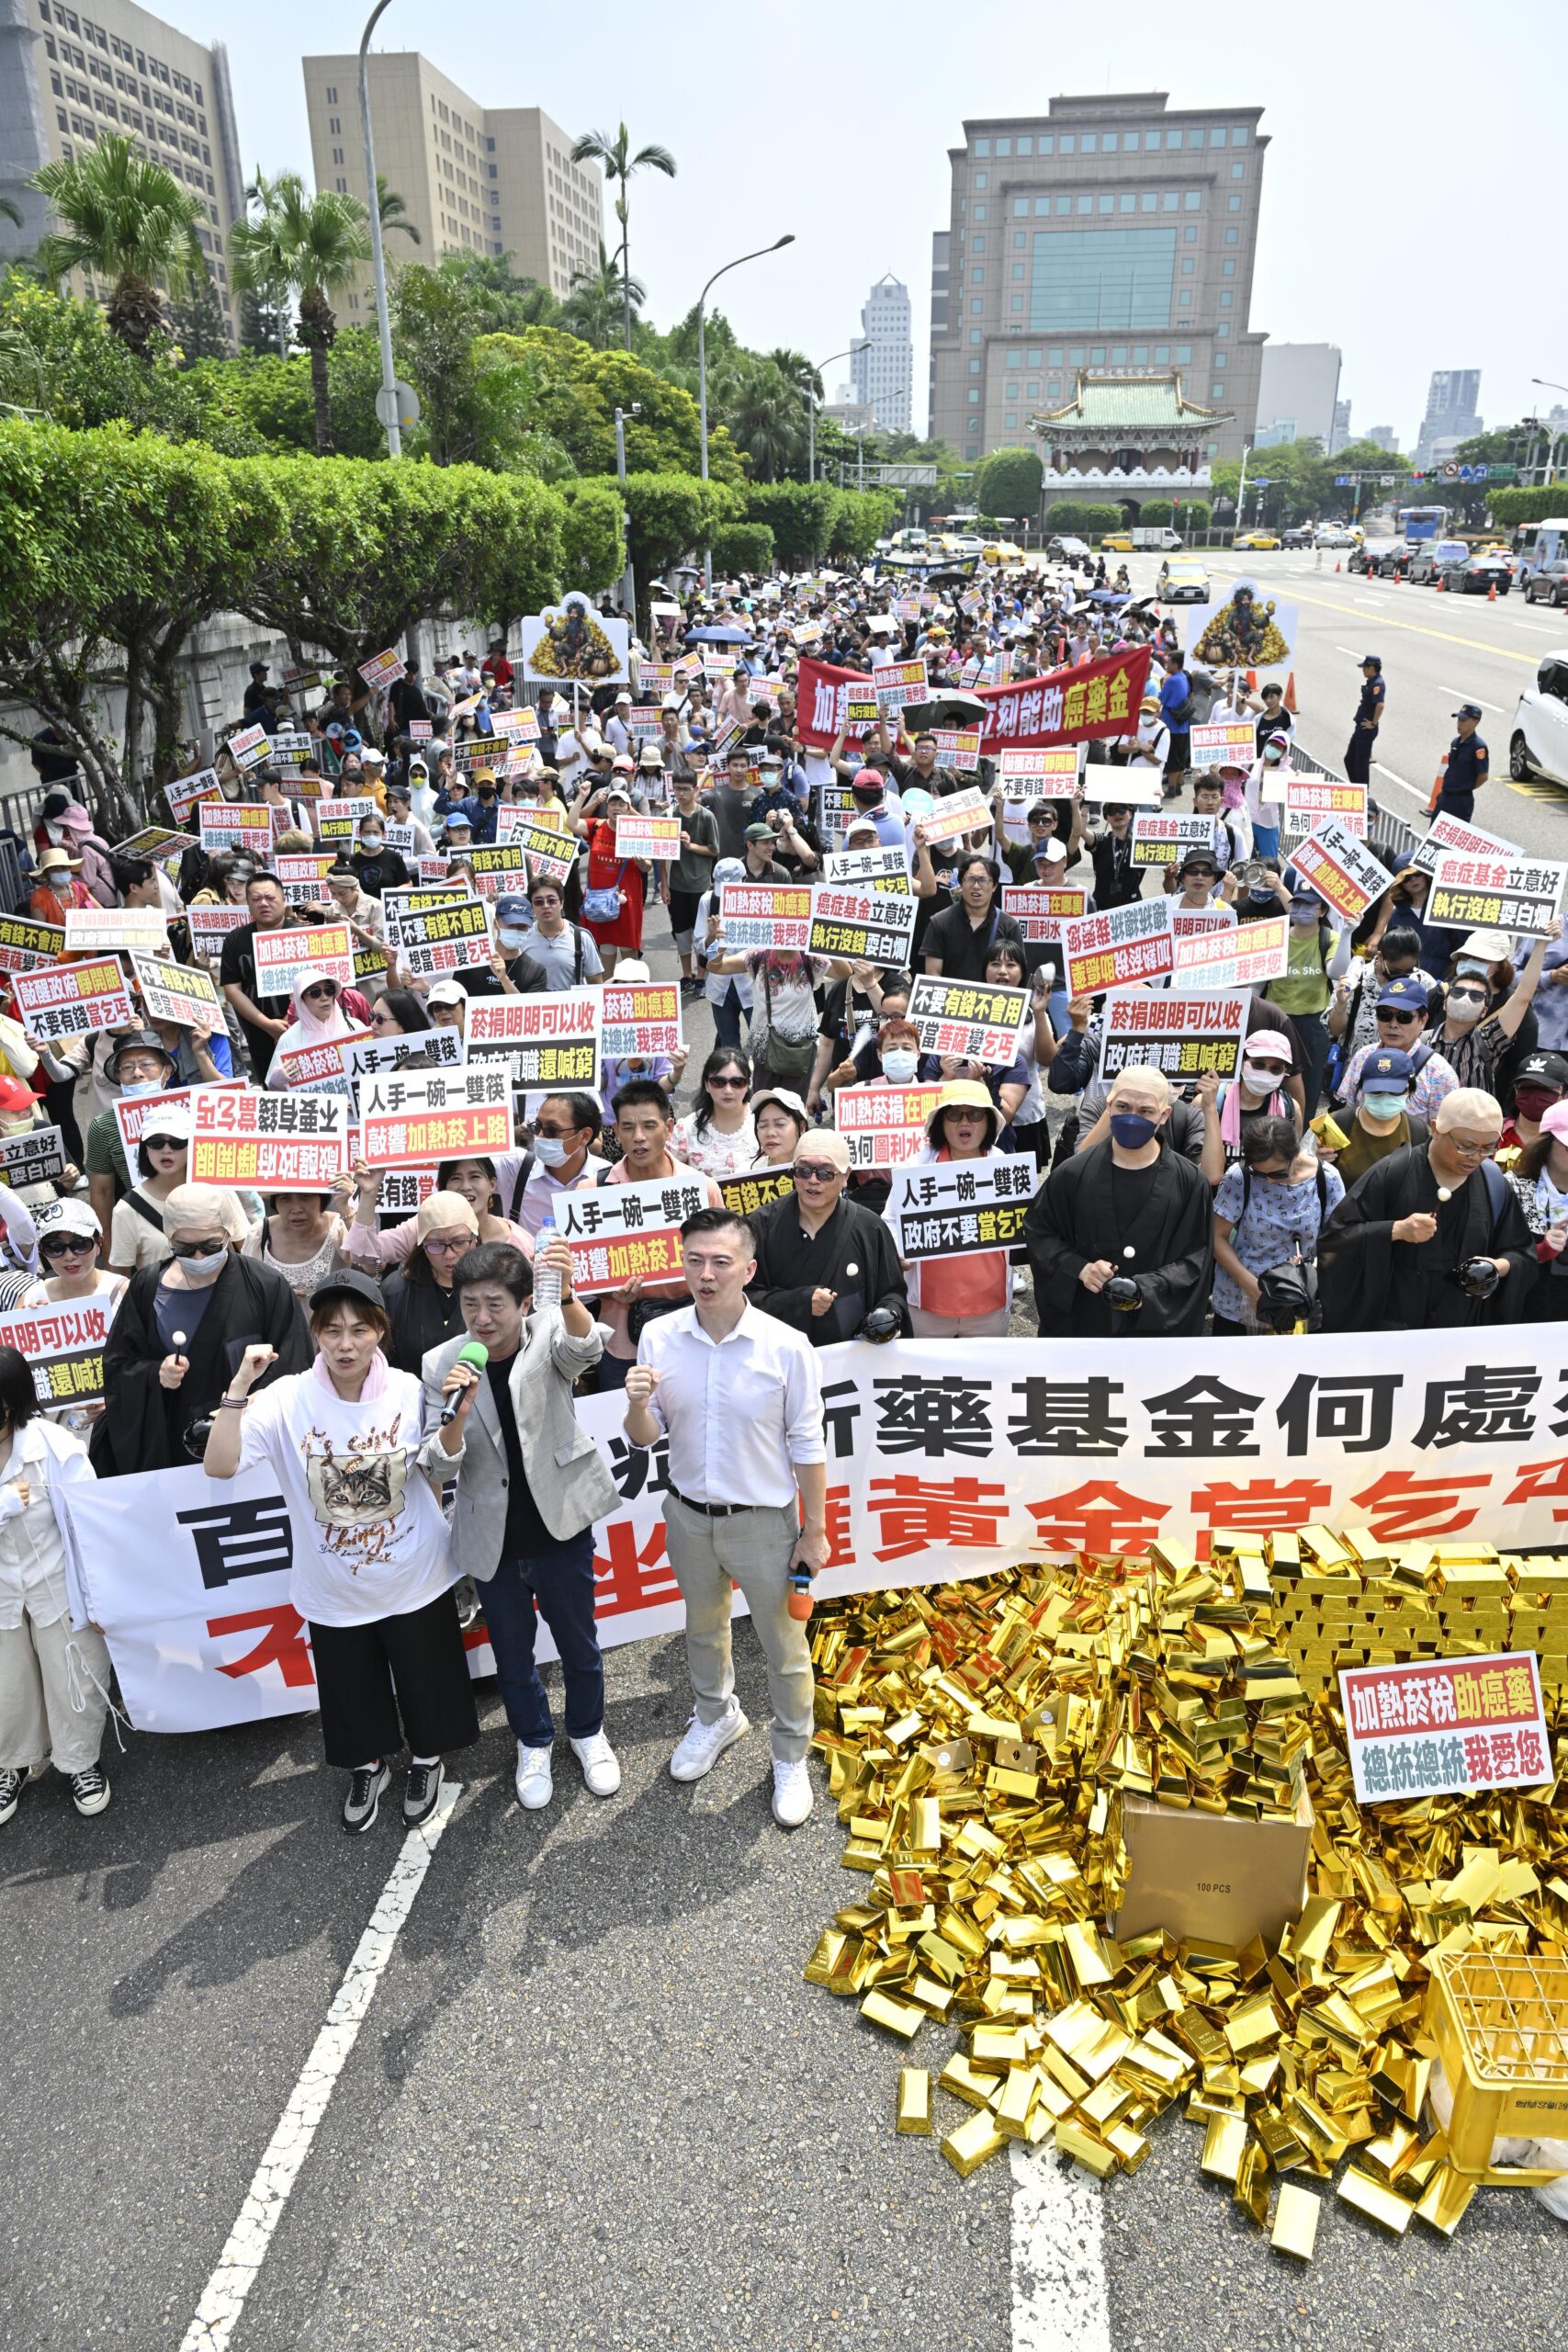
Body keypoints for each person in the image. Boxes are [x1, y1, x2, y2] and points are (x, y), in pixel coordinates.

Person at [204, 1271, 477, 1835]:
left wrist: (459, 1420)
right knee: (350, 1691)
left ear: (381, 1330)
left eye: (359, 1329)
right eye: (331, 1332)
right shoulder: (284, 1399)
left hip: (415, 1571)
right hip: (332, 1583)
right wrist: (238, 1387)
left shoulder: (409, 1388)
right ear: (315, 1335)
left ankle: (426, 1758)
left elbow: (441, 1461)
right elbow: (220, 1464)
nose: (345, 1345)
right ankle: (367, 1765)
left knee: (429, 1681)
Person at [623, 1208, 828, 1829]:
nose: (705, 1274)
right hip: (687, 1514)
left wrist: (813, 1530)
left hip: (764, 1522)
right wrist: (635, 1405)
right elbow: (643, 1437)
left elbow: (808, 1445)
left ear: (748, 1269)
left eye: (720, 1262)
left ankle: (790, 1753)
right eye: (693, 1260)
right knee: (702, 1628)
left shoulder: (785, 1346)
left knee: (783, 1648)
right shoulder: (658, 1336)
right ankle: (715, 1716)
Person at [423, 1239, 619, 1810]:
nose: (481, 1319)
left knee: (579, 1645)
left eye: (495, 1305)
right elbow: (434, 1462)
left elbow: (585, 1352)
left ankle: (587, 1732)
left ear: (525, 1302)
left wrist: (573, 1294)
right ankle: (532, 1741)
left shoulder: (547, 1335)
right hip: (492, 1535)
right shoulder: (443, 1364)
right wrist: (456, 1417)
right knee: (513, 1655)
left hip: (559, 1524)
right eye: (470, 1305)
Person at [92, 1182, 310, 1476]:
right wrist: (156, 1372)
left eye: (210, 1246)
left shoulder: (264, 1285)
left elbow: (293, 1365)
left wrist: (242, 1406)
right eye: (184, 1247)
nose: (198, 1257)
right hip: (169, 1444)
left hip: (247, 1444)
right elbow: (118, 1365)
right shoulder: (147, 1287)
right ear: (169, 1237)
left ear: (228, 1232)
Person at [0, 1347, 111, 1826]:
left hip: (55, 1583)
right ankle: (12, 1762)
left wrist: (99, 1597)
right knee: (8, 1684)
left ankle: (80, 1761)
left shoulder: (53, 1445)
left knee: (73, 1673)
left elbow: (88, 1527)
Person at [1319, 1088, 1534, 1331]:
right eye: (1466, 1146)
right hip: (1392, 1327)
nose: (1476, 1157)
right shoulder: (1395, 1172)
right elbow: (1335, 1239)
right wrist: (1395, 1230)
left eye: (1488, 1148)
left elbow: (1522, 1254)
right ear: (1435, 1129)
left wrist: (1497, 1267)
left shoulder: (1493, 1182)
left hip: (1461, 1327)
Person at [1025, 1065, 1213, 1338]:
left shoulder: (1190, 1182)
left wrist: (1147, 1289)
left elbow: (1197, 1258)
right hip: (1086, 1322)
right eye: (1123, 1107)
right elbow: (1040, 1233)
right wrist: (1080, 1268)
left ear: (1164, 1114)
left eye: (1146, 1111)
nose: (1132, 1117)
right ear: (1109, 1106)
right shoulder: (1073, 1172)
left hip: (1152, 1330)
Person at [588, 1080, 723, 1390]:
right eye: (627, 1127)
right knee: (627, 1431)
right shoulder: (592, 1194)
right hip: (622, 1344)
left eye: (649, 1125)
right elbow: (581, 1284)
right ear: (615, 1131)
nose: (639, 1138)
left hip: (695, 1335)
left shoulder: (702, 1189)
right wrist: (608, 1291)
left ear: (670, 1127)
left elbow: (725, 1263)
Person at [748, 1127, 907, 1344]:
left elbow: (892, 1292)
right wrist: (800, 1302)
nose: (813, 1180)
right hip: (779, 1359)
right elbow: (743, 1297)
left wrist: (888, 1317)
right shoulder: (762, 1225)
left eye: (825, 1172)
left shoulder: (870, 1228)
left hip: (851, 1363)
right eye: (803, 1170)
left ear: (846, 1176)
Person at [897, 1080, 1019, 1339]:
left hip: (989, 1307)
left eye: (975, 1114)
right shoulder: (917, 1166)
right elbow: (891, 1219)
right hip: (928, 1309)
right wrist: (899, 1250)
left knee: (985, 1377)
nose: (965, 1122)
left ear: (988, 1122)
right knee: (927, 1377)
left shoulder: (1006, 1168)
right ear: (941, 1121)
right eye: (954, 1114)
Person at [1211, 1117, 1345, 1334]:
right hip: (1241, 1301)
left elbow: (1338, 1239)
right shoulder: (1239, 1177)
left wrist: (1308, 1276)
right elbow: (1217, 1237)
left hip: (1301, 1302)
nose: (1270, 1181)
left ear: (1295, 1154)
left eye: (1278, 1173)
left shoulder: (1326, 1177)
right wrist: (1254, 1289)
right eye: (1260, 1173)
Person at [220, 872, 322, 1080]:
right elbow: (232, 990)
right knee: (270, 1085)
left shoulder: (302, 935)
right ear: (248, 904)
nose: (263, 904)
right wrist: (267, 1024)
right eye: (256, 899)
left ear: (284, 900)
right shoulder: (235, 939)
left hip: (304, 1026)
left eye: (270, 898)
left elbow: (318, 983)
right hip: (258, 1030)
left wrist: (290, 1019)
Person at [377, 1191, 481, 1374]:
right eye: (436, 1244)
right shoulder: (396, 1291)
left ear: (475, 1239)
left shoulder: (495, 1283)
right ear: (421, 1244)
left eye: (459, 1242)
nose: (449, 1254)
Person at [1432, 934, 1547, 1094]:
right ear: (1445, 1002)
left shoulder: (1488, 1041)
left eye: (1476, 996)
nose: (1465, 999)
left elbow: (1522, 997)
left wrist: (1541, 945)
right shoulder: (1422, 1040)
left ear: (1484, 1010)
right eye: (1458, 992)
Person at [1336, 978, 1458, 1126]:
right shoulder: (1363, 1056)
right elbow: (1347, 1111)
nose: (1393, 1024)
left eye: (1404, 1017)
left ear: (1423, 1020)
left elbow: (1441, 1134)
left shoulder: (1439, 1074)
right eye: (1385, 1015)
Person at [1326, 1047, 1431, 1189]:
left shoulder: (1420, 1133)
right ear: (1362, 1091)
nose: (1385, 1097)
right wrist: (1315, 1161)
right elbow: (1297, 1170)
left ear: (1410, 1091)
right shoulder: (1332, 1124)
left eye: (1395, 1091)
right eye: (1376, 1091)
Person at [107, 1103, 192, 1273]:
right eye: (156, 1142)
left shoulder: (215, 1192)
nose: (166, 1149)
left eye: (177, 1142)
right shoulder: (126, 1210)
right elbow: (120, 1278)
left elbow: (245, 1249)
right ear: (145, 1148)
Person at [1503, 1102, 1568, 1319]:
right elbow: (1498, 1254)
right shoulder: (1513, 1187)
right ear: (1546, 1143)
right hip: (1528, 1311)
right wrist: (1541, 1250)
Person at [921, 854, 1025, 982]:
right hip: (952, 1000)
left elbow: (1018, 974)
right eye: (970, 879)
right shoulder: (939, 923)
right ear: (961, 883)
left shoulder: (1009, 926)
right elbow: (932, 976)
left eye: (983, 880)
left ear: (994, 886)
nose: (976, 886)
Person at [661, 771, 719, 992]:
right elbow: (661, 854)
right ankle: (687, 974)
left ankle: (702, 975)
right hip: (676, 885)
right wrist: (664, 885)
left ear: (695, 789)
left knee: (700, 932)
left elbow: (714, 850)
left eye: (686, 789)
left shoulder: (706, 817)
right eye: (677, 789)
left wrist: (691, 846)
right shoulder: (669, 816)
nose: (682, 793)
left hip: (700, 885)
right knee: (681, 932)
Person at [243, 1188, 353, 1302]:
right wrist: (275, 1294)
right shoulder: (259, 1234)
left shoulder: (340, 1228)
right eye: (285, 1198)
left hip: (328, 1318)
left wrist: (348, 1211)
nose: (296, 1209)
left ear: (322, 1197)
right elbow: (247, 1287)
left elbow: (368, 1262)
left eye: (306, 1196)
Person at [265, 967, 361, 1089]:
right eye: (315, 993)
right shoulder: (288, 1039)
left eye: (329, 990)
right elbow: (274, 1095)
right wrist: (275, 1082)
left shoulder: (355, 1027)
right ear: (302, 1000)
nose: (324, 997)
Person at [672, 1048, 757, 1179]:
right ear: (707, 1085)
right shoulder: (686, 1129)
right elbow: (668, 1175)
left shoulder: (763, 1121)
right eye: (719, 1082)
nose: (728, 1090)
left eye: (737, 1082)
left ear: (747, 1085)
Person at [521, 875, 603, 990]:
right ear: (532, 906)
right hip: (537, 1007)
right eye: (539, 902)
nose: (546, 906)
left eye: (551, 900)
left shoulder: (582, 938)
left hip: (574, 1007)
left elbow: (596, 985)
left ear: (562, 902)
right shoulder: (523, 938)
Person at [1438, 703, 1490, 821]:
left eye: (1464, 720)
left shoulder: (1478, 747)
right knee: (1434, 836)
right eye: (1458, 720)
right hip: (1445, 797)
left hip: (1460, 801)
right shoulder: (1456, 742)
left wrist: (1465, 787)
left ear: (1476, 722)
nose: (1459, 723)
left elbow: (1483, 776)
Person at [1345, 653, 1385, 786]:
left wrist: (1373, 723)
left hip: (1366, 729)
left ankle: (1362, 792)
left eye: (1365, 667)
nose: (1363, 670)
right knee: (1349, 759)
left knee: (1360, 763)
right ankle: (1356, 786)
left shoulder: (1377, 684)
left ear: (1372, 667)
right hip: (1361, 727)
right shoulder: (1372, 682)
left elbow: (1380, 705)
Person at [750, 1085, 809, 1167]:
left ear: (802, 1128)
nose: (770, 1133)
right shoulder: (747, 1173)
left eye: (780, 1124)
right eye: (763, 1126)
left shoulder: (818, 1173)